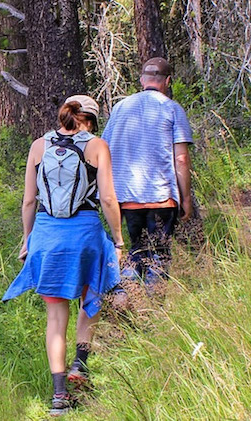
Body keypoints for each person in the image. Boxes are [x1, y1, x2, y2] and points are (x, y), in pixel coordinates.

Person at [2, 95, 123, 417]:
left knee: (56, 318)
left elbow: (29, 201)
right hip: (84, 236)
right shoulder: (97, 146)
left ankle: (59, 396)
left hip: (47, 236)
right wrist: (118, 240)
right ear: (91, 120)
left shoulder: (38, 146)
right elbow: (108, 199)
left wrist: (27, 240)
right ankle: (80, 365)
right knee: (91, 297)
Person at [101, 57, 194, 294]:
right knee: (159, 256)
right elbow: (181, 159)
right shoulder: (172, 109)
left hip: (128, 199)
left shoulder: (120, 108)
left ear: (142, 80)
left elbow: (104, 150)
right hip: (162, 197)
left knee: (136, 251)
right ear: (168, 81)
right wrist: (186, 199)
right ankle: (154, 310)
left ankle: (128, 301)